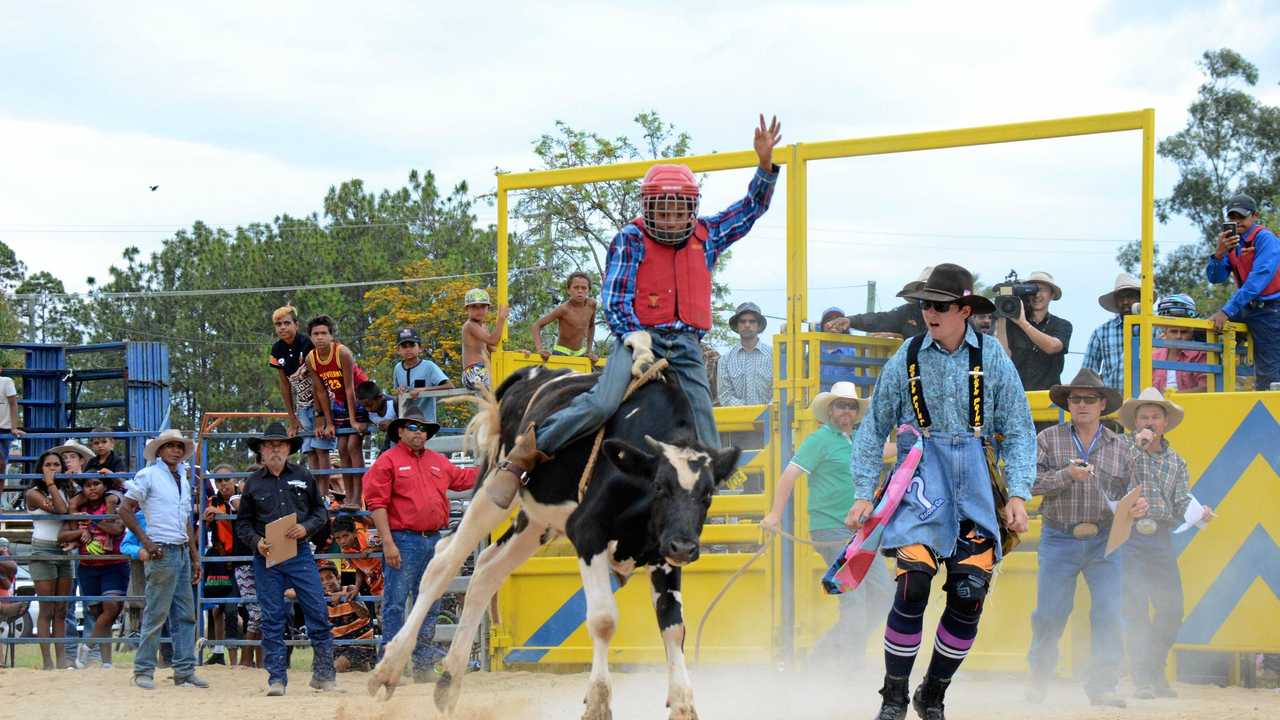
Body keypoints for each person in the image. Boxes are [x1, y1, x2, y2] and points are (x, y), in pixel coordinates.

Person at [488, 116, 783, 496]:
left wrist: (764, 166)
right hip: (638, 338)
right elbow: (614, 298)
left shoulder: (706, 236)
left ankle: (704, 496)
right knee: (601, 403)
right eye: (664, 211)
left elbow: (749, 210)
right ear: (649, 208)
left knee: (704, 421)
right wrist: (635, 338)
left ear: (691, 210)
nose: (672, 219)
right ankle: (525, 453)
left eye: (680, 211)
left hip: (686, 345)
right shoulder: (631, 239)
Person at [845, 264, 1033, 720]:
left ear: (964, 310)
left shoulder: (992, 357)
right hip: (921, 481)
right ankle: (893, 698)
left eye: (940, 305)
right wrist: (863, 492)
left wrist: (1019, 493)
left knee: (969, 591)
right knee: (913, 585)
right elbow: (873, 428)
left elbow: (1019, 429)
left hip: (976, 480)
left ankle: (933, 693)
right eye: (925, 304)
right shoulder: (905, 356)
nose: (929, 312)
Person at [762, 382, 892, 667]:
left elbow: (885, 451)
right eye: (841, 405)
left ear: (856, 413)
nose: (846, 411)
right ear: (830, 410)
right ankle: (848, 664)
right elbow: (789, 475)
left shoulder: (855, 439)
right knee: (853, 597)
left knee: (885, 594)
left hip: (860, 530)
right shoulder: (819, 440)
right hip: (831, 528)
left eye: (851, 406)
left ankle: (825, 656)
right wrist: (774, 514)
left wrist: (918, 441)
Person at [1026, 369, 1132, 707]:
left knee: (1110, 612)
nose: (1082, 404)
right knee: (1050, 614)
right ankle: (1039, 678)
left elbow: (1132, 490)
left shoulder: (1122, 446)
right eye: (1076, 399)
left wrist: (1139, 503)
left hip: (1105, 538)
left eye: (1089, 399)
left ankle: (1102, 685)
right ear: (1068, 403)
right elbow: (1029, 483)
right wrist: (1066, 476)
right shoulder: (1047, 439)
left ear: (1102, 404)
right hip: (1060, 535)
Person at [363, 408, 478, 682]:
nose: (419, 432)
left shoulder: (438, 461)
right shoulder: (388, 461)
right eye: (413, 427)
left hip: (433, 540)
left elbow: (463, 479)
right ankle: (391, 665)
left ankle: (422, 664)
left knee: (431, 602)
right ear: (400, 431)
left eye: (423, 428)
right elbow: (376, 503)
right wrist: (388, 542)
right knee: (395, 603)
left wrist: (494, 466)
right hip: (403, 539)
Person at [1118, 388, 1214, 699]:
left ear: (1166, 422)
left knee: (1171, 609)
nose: (1149, 422)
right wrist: (1138, 446)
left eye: (1155, 417)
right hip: (1127, 535)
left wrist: (1200, 515)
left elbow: (1181, 501)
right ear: (1134, 422)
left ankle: (1154, 670)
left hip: (1159, 538)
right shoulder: (1121, 448)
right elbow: (1111, 479)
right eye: (1143, 417)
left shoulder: (1176, 462)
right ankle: (1144, 678)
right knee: (1135, 610)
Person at [233, 422, 335, 696]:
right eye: (269, 445)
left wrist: (306, 528)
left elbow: (320, 511)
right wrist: (257, 541)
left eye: (280, 444)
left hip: (299, 551)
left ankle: (324, 673)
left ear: (289, 448)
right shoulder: (252, 483)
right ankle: (276, 678)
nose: (275, 448)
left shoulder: (304, 475)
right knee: (271, 617)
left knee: (317, 609)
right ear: (262, 451)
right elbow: (242, 524)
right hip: (266, 556)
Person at [117, 429, 207, 690]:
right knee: (159, 612)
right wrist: (146, 542)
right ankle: (146, 669)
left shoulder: (181, 477)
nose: (176, 450)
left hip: (177, 549)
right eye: (170, 446)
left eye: (179, 446)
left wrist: (194, 554)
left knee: (183, 614)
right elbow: (124, 507)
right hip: (163, 549)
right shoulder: (149, 475)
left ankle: (183, 670)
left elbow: (185, 520)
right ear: (159, 450)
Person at [1206, 193, 1280, 389]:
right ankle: (1219, 385)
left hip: (1271, 310)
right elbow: (1215, 278)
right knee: (1206, 329)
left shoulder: (1265, 239)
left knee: (1269, 373)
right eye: (1232, 218)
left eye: (1241, 217)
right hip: (1247, 308)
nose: (1237, 222)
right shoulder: (1230, 243)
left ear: (1255, 216)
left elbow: (1258, 281)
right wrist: (1219, 253)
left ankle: (1269, 413)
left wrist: (1226, 311)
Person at [63, 474, 128, 669]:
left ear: (104, 486)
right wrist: (78, 532)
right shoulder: (78, 508)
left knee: (110, 609)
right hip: (88, 566)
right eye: (87, 485)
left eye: (96, 484)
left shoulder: (113, 503)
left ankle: (87, 646)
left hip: (114, 564)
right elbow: (66, 534)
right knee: (98, 612)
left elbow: (117, 529)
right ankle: (106, 662)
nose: (92, 488)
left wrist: (91, 522)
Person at [306, 315, 368, 505]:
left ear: (331, 335)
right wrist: (328, 421)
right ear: (310, 337)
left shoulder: (342, 353)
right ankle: (348, 497)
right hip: (339, 402)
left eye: (324, 333)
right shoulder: (312, 358)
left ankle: (358, 497)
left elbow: (350, 388)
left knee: (352, 446)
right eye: (316, 334)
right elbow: (321, 391)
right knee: (341, 448)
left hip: (359, 398)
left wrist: (354, 420)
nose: (320, 337)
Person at [25, 450, 75, 670]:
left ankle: (62, 659)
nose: (53, 469)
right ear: (40, 468)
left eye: (57, 465)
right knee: (46, 609)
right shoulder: (33, 493)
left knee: (61, 609)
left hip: (63, 549)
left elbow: (70, 516)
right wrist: (51, 484)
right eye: (48, 465)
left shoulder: (68, 489)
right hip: (42, 550)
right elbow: (61, 511)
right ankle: (47, 661)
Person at [270, 305, 335, 473]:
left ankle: (324, 493)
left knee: (321, 448)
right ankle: (314, 492)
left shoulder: (307, 344)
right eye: (278, 324)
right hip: (303, 404)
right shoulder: (277, 349)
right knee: (309, 450)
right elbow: (284, 384)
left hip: (321, 401)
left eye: (286, 323)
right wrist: (292, 416)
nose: (282, 327)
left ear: (296, 325)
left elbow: (316, 382)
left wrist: (320, 415)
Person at [994, 271, 1073, 391]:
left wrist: (1023, 323)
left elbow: (1052, 347)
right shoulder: (1010, 323)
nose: (1037, 295)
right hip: (1017, 395)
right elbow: (1003, 357)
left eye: (1042, 290)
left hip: (1048, 397)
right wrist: (1001, 315)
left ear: (1052, 295)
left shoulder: (1062, 325)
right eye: (1032, 290)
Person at [201, 466, 241, 666]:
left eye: (226, 479)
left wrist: (218, 513)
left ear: (234, 479)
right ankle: (218, 651)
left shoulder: (243, 498)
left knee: (234, 608)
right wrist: (206, 519)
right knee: (216, 606)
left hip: (240, 557)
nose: (223, 484)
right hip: (218, 556)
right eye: (219, 481)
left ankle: (240, 656)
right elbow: (205, 525)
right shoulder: (211, 502)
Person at [828, 267, 933, 339]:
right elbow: (881, 319)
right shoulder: (908, 312)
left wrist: (906, 339)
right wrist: (851, 320)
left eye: (930, 290)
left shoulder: (947, 317)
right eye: (923, 290)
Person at [1082, 273, 1141, 391]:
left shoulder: (1155, 329)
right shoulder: (1101, 333)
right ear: (1115, 301)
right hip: (1112, 402)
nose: (1125, 302)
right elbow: (1088, 374)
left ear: (1140, 298)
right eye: (1120, 297)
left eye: (1130, 296)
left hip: (1147, 401)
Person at [317, 560, 377, 673]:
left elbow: (364, 615)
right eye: (321, 580)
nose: (326, 582)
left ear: (338, 578)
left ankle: (364, 664)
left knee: (336, 667)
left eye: (330, 577)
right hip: (339, 645)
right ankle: (362, 666)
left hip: (360, 643)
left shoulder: (350, 589)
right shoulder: (322, 598)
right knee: (320, 667)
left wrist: (346, 597)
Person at [532, 272, 599, 362]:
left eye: (584, 288)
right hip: (561, 353)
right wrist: (540, 350)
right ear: (568, 290)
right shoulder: (564, 309)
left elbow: (591, 326)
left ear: (589, 290)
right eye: (576, 287)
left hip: (581, 354)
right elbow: (536, 325)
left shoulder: (592, 305)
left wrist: (589, 351)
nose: (580, 291)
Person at [717, 301, 773, 406]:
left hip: (771, 419)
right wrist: (749, 414)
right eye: (742, 321)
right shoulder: (725, 360)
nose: (747, 325)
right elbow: (725, 396)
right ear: (737, 326)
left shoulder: (775, 356)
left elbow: (781, 393)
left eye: (752, 321)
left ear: (759, 325)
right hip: (739, 420)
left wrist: (765, 414)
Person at [391, 327, 453, 420]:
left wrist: (424, 389)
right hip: (406, 421)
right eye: (404, 346)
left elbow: (449, 386)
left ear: (420, 348)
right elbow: (396, 389)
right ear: (398, 350)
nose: (408, 349)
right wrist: (399, 391)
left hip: (427, 421)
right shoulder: (398, 368)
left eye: (412, 345)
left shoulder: (429, 366)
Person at [1152, 294, 1208, 393]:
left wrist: (1173, 398)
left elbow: (1205, 388)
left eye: (1184, 332)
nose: (1178, 336)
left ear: (1192, 332)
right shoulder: (1154, 356)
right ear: (1165, 332)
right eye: (1173, 331)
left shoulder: (1200, 355)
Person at [460, 289, 509, 392]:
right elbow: (493, 340)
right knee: (506, 383)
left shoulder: (483, 327)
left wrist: (514, 354)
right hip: (473, 372)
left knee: (511, 376)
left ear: (488, 308)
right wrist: (501, 319)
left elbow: (493, 349)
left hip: (482, 371)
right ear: (467, 309)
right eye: (474, 307)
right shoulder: (470, 325)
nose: (479, 310)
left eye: (482, 306)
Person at [330, 516, 384, 598]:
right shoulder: (346, 552)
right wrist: (356, 588)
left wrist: (372, 550)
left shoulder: (368, 539)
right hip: (375, 589)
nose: (342, 541)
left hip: (390, 584)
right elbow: (358, 569)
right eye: (338, 538)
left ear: (355, 533)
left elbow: (389, 546)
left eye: (345, 536)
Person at [355, 380, 398, 451]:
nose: (368, 409)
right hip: (390, 440)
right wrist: (365, 425)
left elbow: (407, 423)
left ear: (380, 397)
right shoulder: (365, 411)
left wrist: (393, 424)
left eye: (370, 405)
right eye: (364, 406)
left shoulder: (394, 404)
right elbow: (365, 423)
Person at [0, 371, 24, 484]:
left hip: (3, 429)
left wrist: (13, 427)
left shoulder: (6, 381)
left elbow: (13, 404)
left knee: (1, 465)